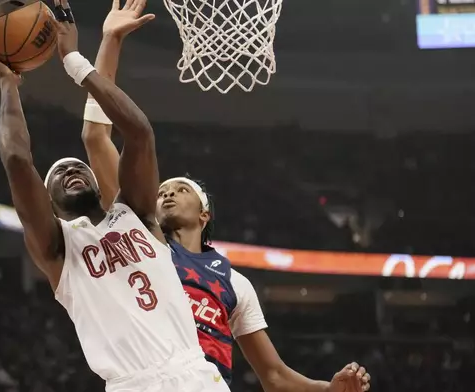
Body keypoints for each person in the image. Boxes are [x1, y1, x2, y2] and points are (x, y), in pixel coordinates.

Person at [79, 3, 373, 392]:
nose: (165, 193)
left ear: (204, 215)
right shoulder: (141, 241)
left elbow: (274, 375)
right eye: (162, 189)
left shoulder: (235, 284)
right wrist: (110, 40)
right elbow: (96, 137)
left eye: (180, 190)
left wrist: (329, 390)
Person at [0, 0, 231, 391]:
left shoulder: (139, 215)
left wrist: (74, 60)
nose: (71, 169)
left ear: (99, 182)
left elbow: (140, 133)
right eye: (59, 172)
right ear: (50, 204)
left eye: (78, 167)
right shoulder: (58, 249)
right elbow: (16, 159)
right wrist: (8, 85)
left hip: (196, 374)